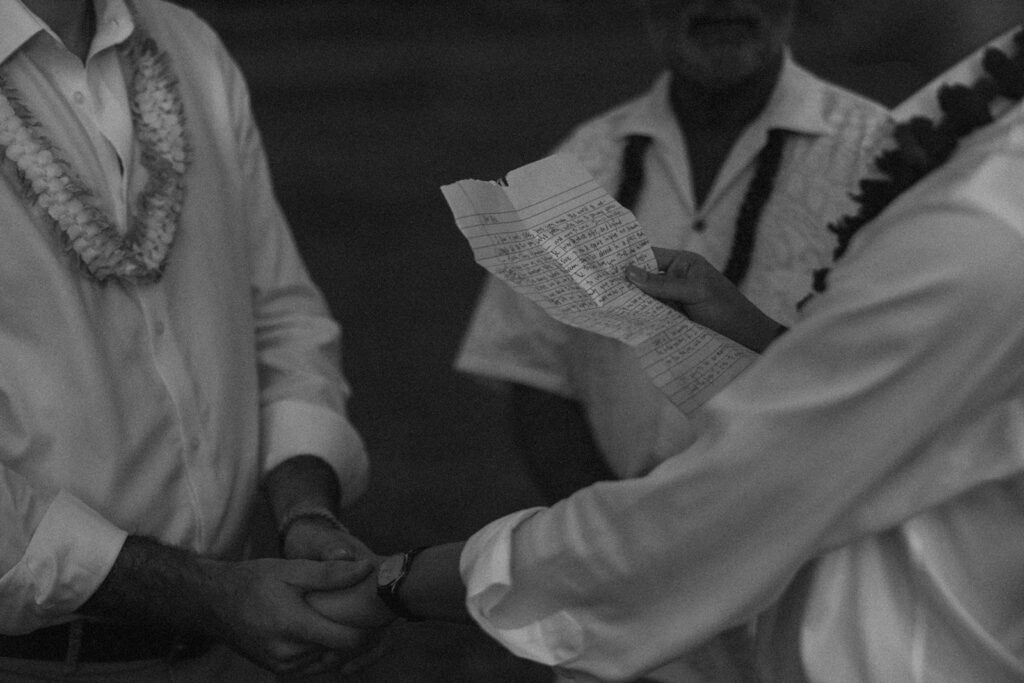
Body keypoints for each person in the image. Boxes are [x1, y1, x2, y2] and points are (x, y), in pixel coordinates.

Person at [313, 13, 1024, 683]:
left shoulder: (965, 210)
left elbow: (746, 492)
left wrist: (396, 584)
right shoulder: (593, 148)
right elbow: (535, 372)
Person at [0, 0, 374, 679]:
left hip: (221, 655)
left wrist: (305, 509)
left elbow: (280, 316)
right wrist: (208, 594)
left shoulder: (185, 44)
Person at [456, 0, 889, 498]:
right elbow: (534, 373)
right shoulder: (584, 159)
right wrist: (610, 533)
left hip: (810, 524)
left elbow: (900, 375)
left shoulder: (877, 157)